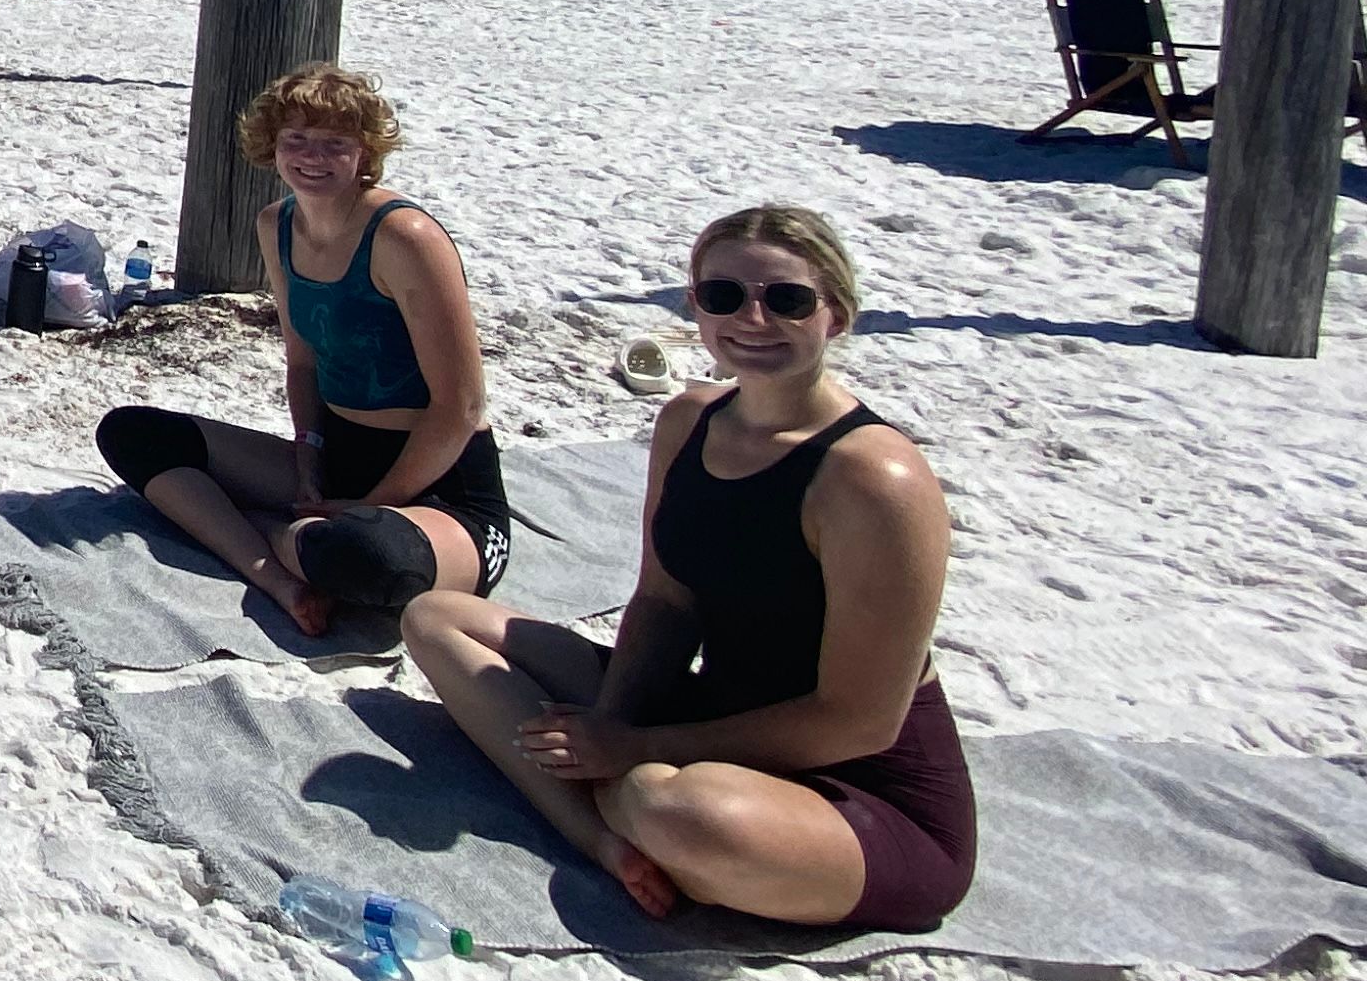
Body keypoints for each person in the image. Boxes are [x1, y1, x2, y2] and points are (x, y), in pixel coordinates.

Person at [403, 205, 974, 932]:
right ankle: (601, 839)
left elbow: (857, 723)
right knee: (437, 617)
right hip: (713, 715)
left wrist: (635, 747)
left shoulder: (874, 478)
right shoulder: (689, 421)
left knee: (666, 804)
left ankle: (627, 813)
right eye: (724, 296)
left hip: (858, 794)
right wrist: (609, 725)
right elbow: (664, 604)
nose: (753, 318)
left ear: (838, 316)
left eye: (787, 299)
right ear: (696, 307)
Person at [91, 63, 512, 636]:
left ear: (365, 152)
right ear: (273, 145)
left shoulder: (405, 237)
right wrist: (310, 455)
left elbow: (462, 406)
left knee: (371, 564)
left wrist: (373, 503)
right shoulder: (278, 224)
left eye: (335, 144)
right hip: (339, 454)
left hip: (439, 479)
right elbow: (302, 362)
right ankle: (275, 574)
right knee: (132, 433)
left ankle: (275, 531)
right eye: (297, 140)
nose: (312, 157)